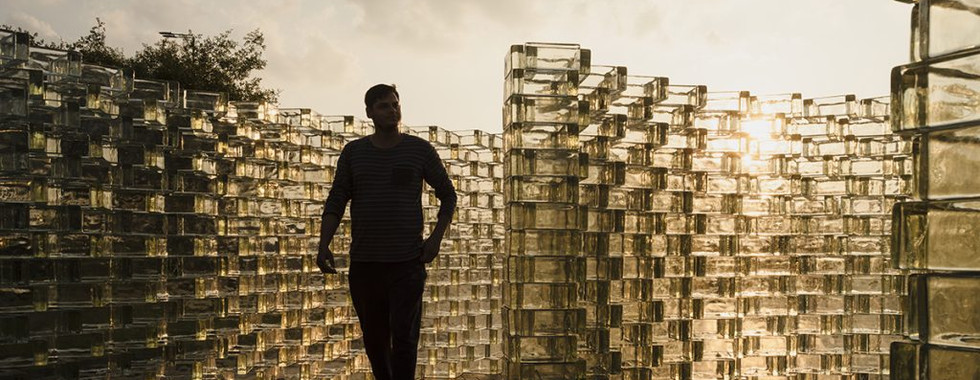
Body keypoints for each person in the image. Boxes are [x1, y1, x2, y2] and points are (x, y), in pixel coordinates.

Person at [316, 84, 457, 380]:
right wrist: (323, 243)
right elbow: (337, 198)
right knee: (375, 340)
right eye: (384, 106)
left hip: (407, 263)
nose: (392, 110)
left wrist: (435, 240)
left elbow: (448, 194)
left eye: (395, 104)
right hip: (366, 265)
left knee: (405, 339)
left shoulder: (419, 150)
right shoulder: (354, 153)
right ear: (369, 112)